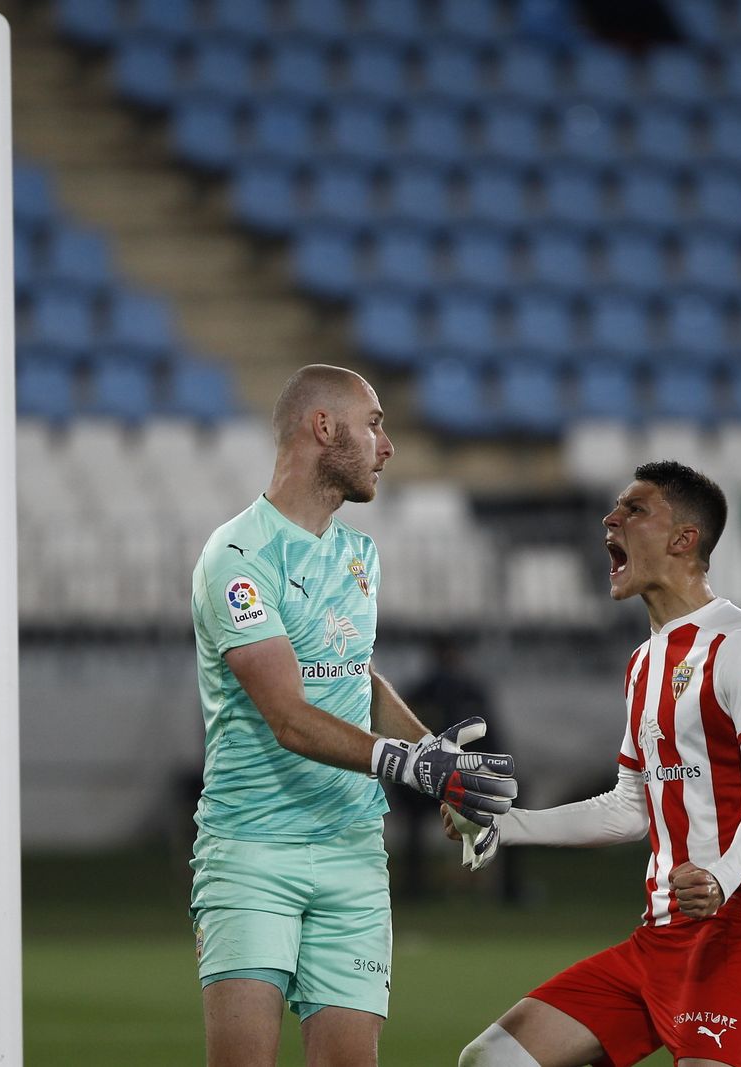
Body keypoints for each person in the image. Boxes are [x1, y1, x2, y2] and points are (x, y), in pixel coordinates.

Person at [188, 364, 517, 1067]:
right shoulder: (237, 558)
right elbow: (290, 716)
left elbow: (351, 679)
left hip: (353, 854)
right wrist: (407, 764)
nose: (387, 444)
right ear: (323, 428)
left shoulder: (358, 554)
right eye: (374, 423)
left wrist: (442, 764)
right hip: (254, 851)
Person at [450, 461, 741, 1067]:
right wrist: (503, 826)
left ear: (683, 540)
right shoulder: (644, 663)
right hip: (660, 937)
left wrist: (721, 875)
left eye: (634, 510)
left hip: (740, 931)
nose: (611, 520)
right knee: (490, 1060)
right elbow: (628, 809)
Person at [392, 635, 525, 905]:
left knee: (415, 816)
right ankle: (509, 889)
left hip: (438, 784)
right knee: (511, 807)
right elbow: (493, 744)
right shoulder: (452, 691)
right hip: (452, 782)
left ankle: (415, 887)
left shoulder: (428, 691)